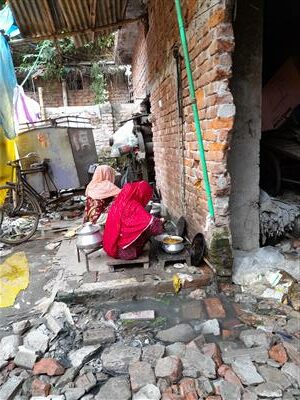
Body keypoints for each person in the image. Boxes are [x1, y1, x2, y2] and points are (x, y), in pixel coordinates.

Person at [103, 181, 164, 259]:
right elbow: (152, 225)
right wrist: (160, 221)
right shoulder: (133, 206)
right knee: (147, 230)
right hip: (123, 252)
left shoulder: (120, 201)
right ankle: (133, 250)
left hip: (111, 246)